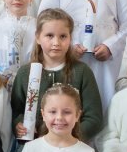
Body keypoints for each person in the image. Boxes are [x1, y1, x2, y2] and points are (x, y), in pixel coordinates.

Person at [12, 8, 103, 143]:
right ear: (38, 37)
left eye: (63, 36)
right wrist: (18, 124)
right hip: (33, 146)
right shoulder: (25, 73)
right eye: (49, 35)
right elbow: (16, 111)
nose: (56, 43)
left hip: (71, 148)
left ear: (70, 38)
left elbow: (94, 118)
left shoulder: (82, 72)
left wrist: (68, 138)